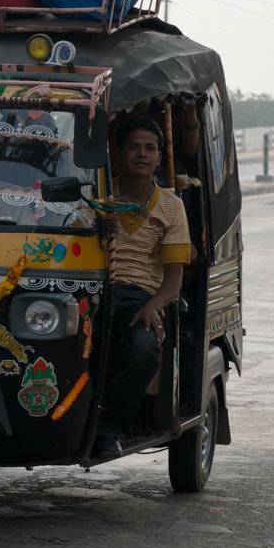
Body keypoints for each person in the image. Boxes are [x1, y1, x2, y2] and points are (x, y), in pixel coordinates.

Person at [93, 114, 192, 457]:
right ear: (118, 154)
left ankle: (109, 428)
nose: (141, 154)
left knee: (142, 350)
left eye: (150, 148)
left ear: (159, 157)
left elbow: (174, 280)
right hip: (97, 290)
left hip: (141, 298)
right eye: (133, 147)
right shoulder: (99, 197)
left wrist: (153, 307)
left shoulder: (172, 207)